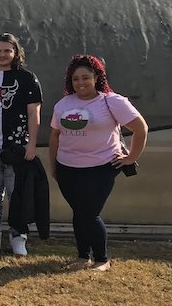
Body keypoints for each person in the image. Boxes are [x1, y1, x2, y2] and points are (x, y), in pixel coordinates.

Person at [50, 54, 147, 272]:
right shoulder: (63, 104)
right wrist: (53, 165)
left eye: (85, 77)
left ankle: (102, 259)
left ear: (96, 78)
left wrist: (131, 157)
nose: (81, 83)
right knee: (78, 212)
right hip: (67, 168)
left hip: (101, 168)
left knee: (89, 214)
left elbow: (140, 128)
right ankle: (83, 256)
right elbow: (55, 136)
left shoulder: (111, 101)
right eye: (75, 79)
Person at [0, 33, 42, 255]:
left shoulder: (27, 78)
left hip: (17, 149)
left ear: (15, 53)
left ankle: (18, 236)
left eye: (7, 51)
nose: (2, 55)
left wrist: (32, 145)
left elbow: (34, 114)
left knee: (17, 196)